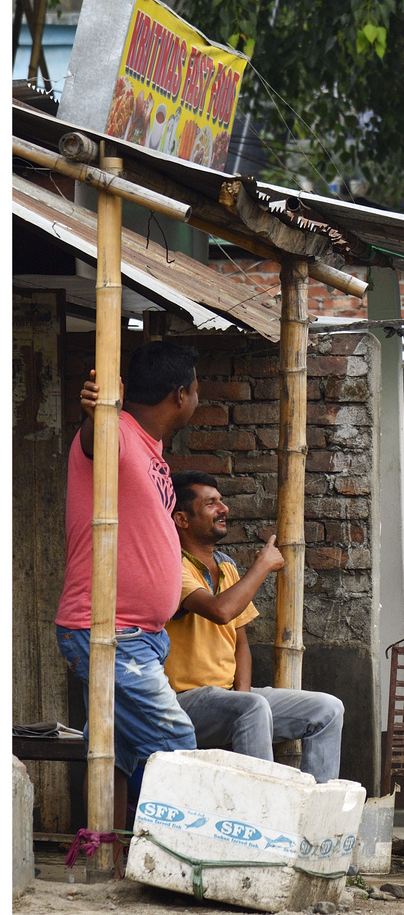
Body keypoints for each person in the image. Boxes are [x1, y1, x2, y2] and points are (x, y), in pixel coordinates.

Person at [55, 341, 202, 799]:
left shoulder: (149, 444)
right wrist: (99, 409)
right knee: (176, 745)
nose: (197, 399)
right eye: (197, 389)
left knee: (122, 753)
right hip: (112, 634)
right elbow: (93, 437)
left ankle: (122, 851)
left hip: (142, 636)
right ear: (180, 395)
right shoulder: (113, 430)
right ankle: (170, 857)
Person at [164, 471, 346, 780]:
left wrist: (242, 694)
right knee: (251, 707)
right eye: (211, 503)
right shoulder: (171, 567)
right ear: (182, 519)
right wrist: (262, 565)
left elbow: (241, 644)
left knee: (327, 710)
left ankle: (314, 812)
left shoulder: (225, 566)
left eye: (222, 501)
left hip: (226, 696)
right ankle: (266, 816)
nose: (224, 509)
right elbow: (220, 612)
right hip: (181, 703)